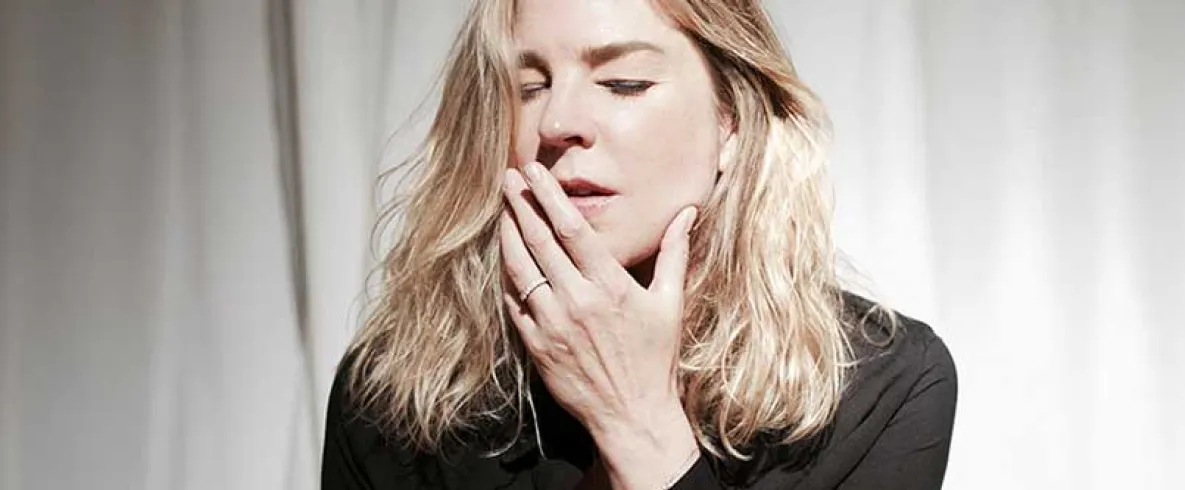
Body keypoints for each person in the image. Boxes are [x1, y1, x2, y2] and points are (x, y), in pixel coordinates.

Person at [321, 0, 957, 488]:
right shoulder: (394, 395)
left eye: (623, 83)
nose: (558, 122)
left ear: (731, 122)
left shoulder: (881, 388)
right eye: (529, 87)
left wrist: (637, 425)